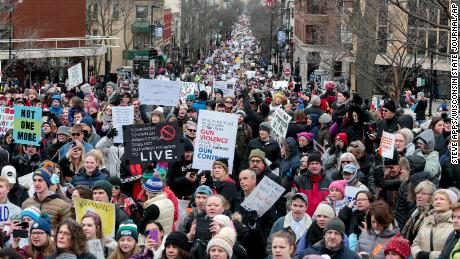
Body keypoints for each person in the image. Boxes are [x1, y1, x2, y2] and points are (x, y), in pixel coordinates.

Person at [411, 189, 456, 259]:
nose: (437, 202)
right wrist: (419, 254)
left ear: (450, 204)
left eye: (442, 199)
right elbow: (414, 244)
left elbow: (454, 251)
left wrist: (430, 255)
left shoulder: (454, 222)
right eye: (435, 199)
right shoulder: (427, 221)